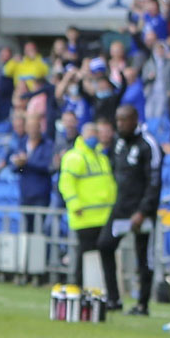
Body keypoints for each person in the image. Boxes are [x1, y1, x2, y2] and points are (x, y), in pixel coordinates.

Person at [99, 106, 161, 316]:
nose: (120, 124)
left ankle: (143, 304)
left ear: (135, 119)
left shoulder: (148, 144)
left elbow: (154, 182)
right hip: (121, 208)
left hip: (141, 211)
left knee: (144, 257)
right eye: (118, 120)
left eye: (124, 120)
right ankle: (114, 298)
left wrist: (143, 211)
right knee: (105, 245)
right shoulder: (117, 142)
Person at [58, 118, 116, 296]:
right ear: (83, 136)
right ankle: (80, 290)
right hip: (85, 217)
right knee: (85, 256)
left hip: (103, 216)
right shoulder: (74, 157)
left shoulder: (100, 156)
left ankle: (105, 293)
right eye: (91, 135)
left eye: (95, 134)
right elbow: (66, 184)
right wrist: (75, 205)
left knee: (104, 257)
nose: (94, 138)